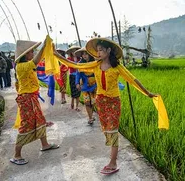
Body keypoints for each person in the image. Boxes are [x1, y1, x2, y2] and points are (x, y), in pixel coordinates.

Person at [53, 38, 156, 175]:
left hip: (113, 102)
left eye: (101, 49)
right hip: (100, 101)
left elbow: (132, 79)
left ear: (108, 50)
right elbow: (77, 66)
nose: (98, 52)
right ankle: (112, 157)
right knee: (107, 130)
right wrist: (57, 56)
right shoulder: (95, 64)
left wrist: (147, 93)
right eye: (98, 50)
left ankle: (113, 162)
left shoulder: (117, 67)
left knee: (113, 130)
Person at [10, 38, 59, 165]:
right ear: (26, 54)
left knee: (40, 120)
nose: (33, 54)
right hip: (26, 100)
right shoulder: (21, 66)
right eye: (31, 52)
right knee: (26, 124)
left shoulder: (26, 64)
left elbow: (36, 60)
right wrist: (43, 47)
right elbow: (36, 61)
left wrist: (46, 47)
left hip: (31, 98)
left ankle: (45, 144)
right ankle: (16, 155)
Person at [75, 48, 97, 125]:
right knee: (87, 102)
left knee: (93, 102)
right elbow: (78, 74)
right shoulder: (80, 64)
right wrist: (77, 83)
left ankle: (91, 115)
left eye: (86, 54)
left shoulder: (95, 62)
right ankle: (90, 118)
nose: (84, 55)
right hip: (85, 86)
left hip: (94, 85)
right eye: (83, 54)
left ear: (90, 54)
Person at [66, 46, 81, 111]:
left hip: (78, 76)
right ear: (71, 52)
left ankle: (77, 106)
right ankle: (72, 101)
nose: (74, 52)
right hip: (72, 76)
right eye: (73, 51)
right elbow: (70, 66)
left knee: (78, 91)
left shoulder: (80, 59)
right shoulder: (69, 59)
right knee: (73, 90)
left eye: (75, 51)